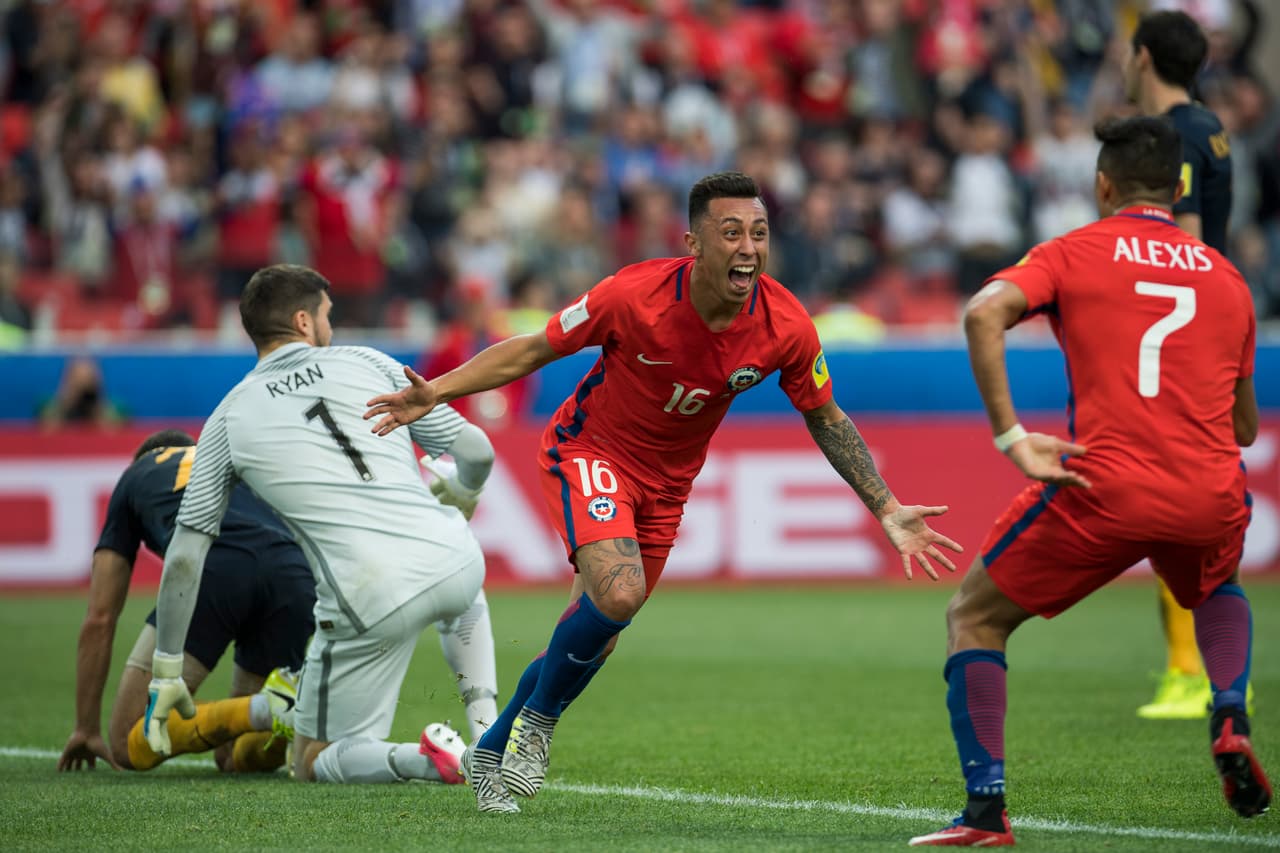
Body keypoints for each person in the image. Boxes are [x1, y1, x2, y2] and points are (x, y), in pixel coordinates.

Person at [364, 171, 963, 814]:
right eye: (730, 232)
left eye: (759, 233)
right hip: (589, 452)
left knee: (599, 631)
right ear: (693, 243)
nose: (748, 248)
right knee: (618, 594)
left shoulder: (786, 324)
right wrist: (439, 391)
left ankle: (494, 744)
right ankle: (536, 727)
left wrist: (887, 507)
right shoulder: (633, 294)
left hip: (669, 485)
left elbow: (825, 415)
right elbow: (536, 348)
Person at [909, 117, 1268, 847]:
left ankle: (985, 810)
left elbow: (983, 313)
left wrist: (1011, 436)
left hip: (1106, 486)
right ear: (1178, 189)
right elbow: (1246, 427)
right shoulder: (1226, 278)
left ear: (1103, 186)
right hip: (1207, 489)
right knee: (1216, 583)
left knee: (973, 618)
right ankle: (1229, 711)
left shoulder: (1077, 251)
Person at [143, 264, 497, 786]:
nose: (333, 326)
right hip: (453, 557)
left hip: (368, 593)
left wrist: (167, 666)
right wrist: (462, 496)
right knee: (457, 574)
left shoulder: (227, 418)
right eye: (329, 314)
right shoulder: (369, 361)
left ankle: (436, 761)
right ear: (304, 321)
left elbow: (186, 555)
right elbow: (478, 451)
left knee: (310, 759)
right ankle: (489, 732)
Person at [57, 429, 315, 774]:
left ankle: (265, 710)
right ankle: (287, 712)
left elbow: (100, 618)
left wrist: (86, 728)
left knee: (126, 739)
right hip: (293, 573)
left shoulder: (137, 475)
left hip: (215, 567)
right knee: (235, 758)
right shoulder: (234, 466)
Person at [1124, 8, 1242, 721]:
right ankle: (1214, 670)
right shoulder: (1213, 127)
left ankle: (1191, 671)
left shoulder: (1175, 138)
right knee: (1197, 509)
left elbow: (1185, 245)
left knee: (1171, 509)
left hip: (1185, 344)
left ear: (1143, 58)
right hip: (1220, 334)